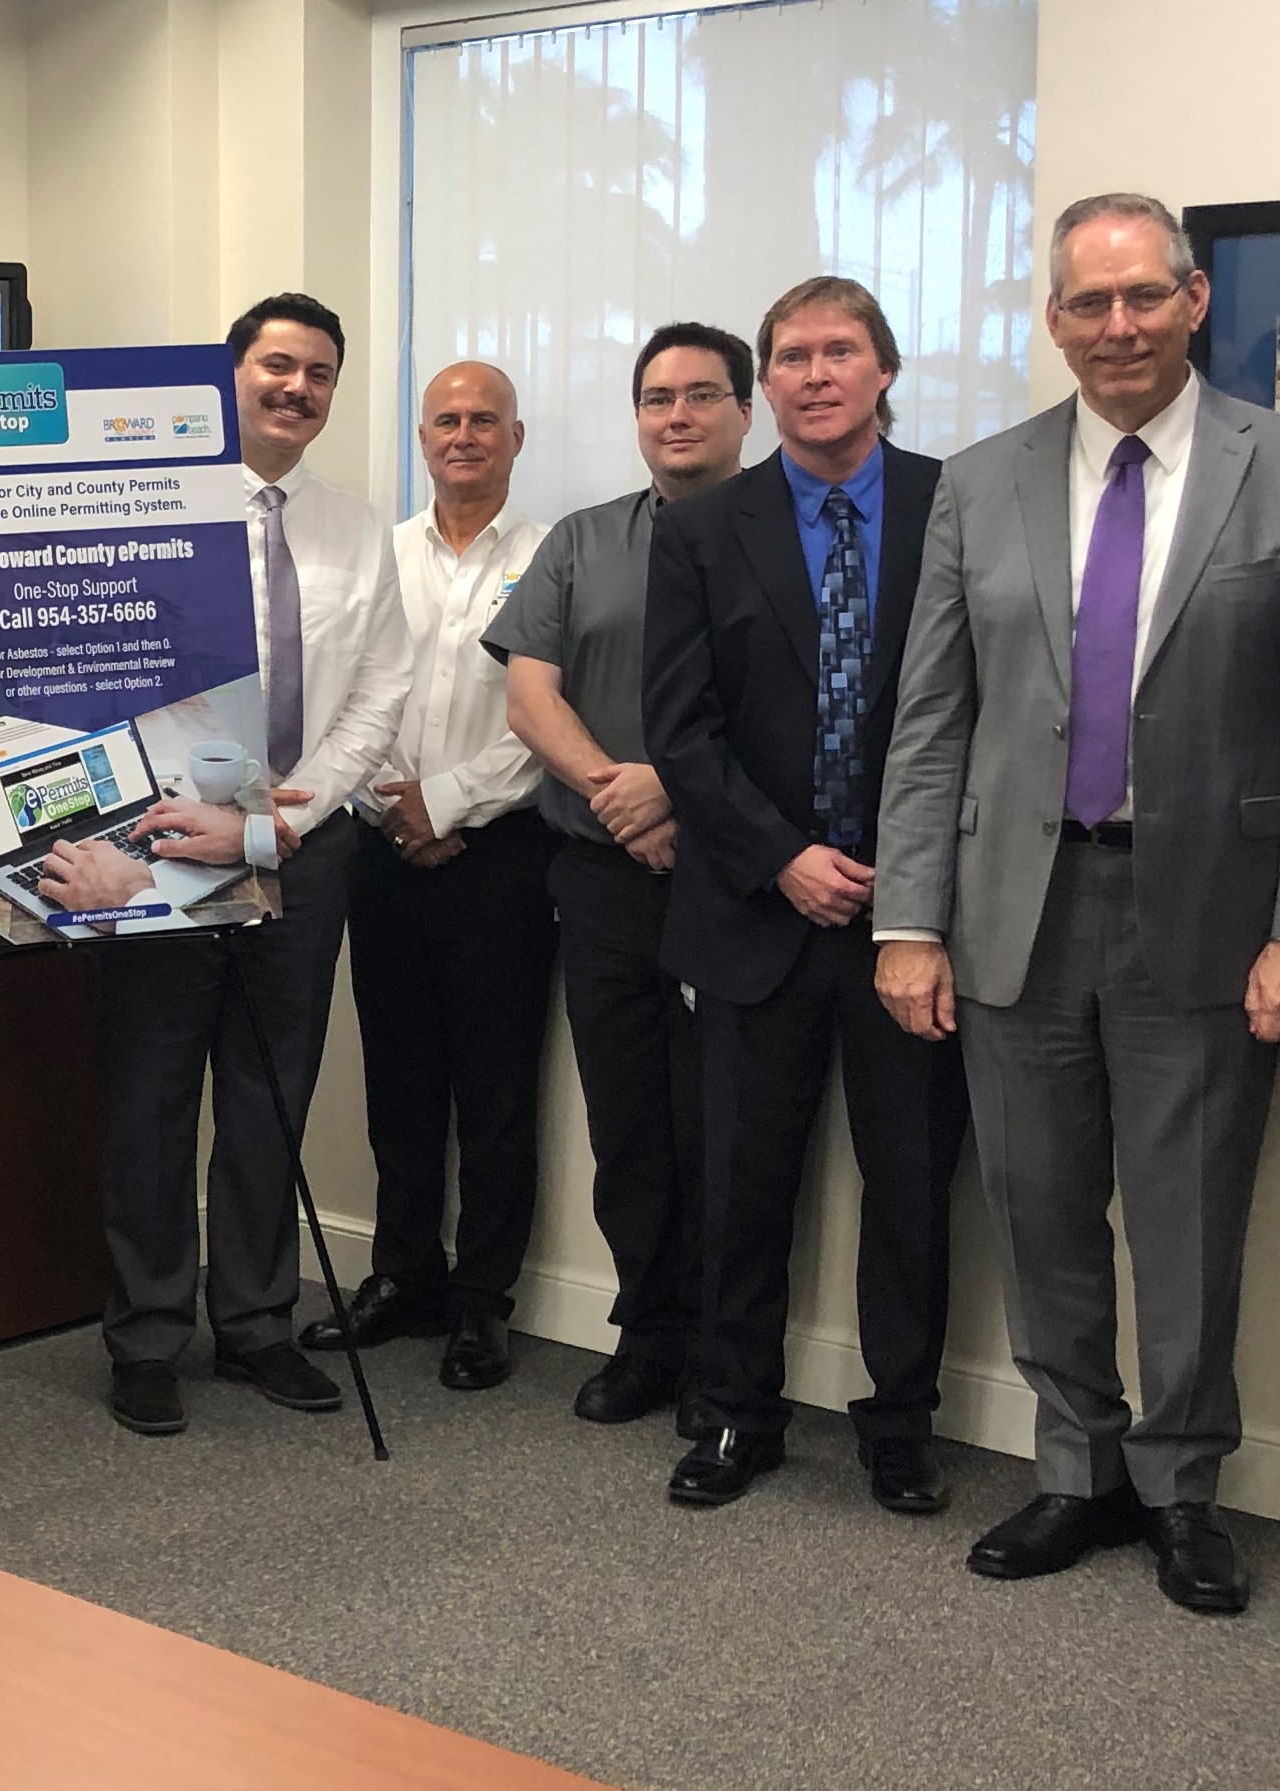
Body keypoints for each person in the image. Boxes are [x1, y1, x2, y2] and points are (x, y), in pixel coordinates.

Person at [871, 193, 1280, 1617]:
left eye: (1142, 297)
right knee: (1037, 1205)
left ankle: (1178, 1487)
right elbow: (931, 722)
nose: (1116, 327)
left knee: (1189, 1222)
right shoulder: (980, 483)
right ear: (1054, 320)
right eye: (1087, 305)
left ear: (1193, 300)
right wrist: (906, 918)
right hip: (1009, 910)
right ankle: (1074, 1464)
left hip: (1209, 912)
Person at [641, 276, 968, 1513]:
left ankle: (901, 1425)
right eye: (792, 356)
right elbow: (682, 728)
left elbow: (980, 714)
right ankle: (736, 1414)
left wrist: (910, 884)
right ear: (764, 384)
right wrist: (781, 853)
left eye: (841, 352)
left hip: (916, 917)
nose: (817, 374)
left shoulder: (960, 507)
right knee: (741, 1182)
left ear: (885, 369)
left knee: (912, 1186)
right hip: (752, 911)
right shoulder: (703, 529)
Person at [70, 293, 410, 1438]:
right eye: (276, 365)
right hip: (164, 843)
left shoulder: (360, 529)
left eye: (318, 373)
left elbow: (380, 690)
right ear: (230, 374)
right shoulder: (148, 505)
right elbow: (104, 668)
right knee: (153, 1094)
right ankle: (149, 1334)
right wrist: (194, 817)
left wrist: (285, 822)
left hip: (303, 853)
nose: (296, 388)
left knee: (272, 1093)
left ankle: (257, 1321)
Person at [491, 322, 753, 1426]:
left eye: (701, 395)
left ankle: (727, 1360)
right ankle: (648, 1337)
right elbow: (531, 694)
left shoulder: (784, 537)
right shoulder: (585, 542)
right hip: (599, 875)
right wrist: (621, 792)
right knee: (629, 1124)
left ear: (747, 410)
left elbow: (804, 715)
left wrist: (682, 798)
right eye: (657, 398)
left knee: (727, 1126)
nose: (677, 415)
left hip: (735, 878)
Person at [299, 360, 559, 1394]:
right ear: (421, 436)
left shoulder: (552, 557)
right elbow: (352, 700)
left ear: (516, 435)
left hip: (501, 852)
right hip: (378, 845)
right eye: (446, 420)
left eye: (483, 420)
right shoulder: (381, 552)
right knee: (399, 1078)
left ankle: (483, 1303)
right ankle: (404, 1274)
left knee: (496, 1090)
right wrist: (391, 805)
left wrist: (445, 805)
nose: (464, 436)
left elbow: (551, 718)